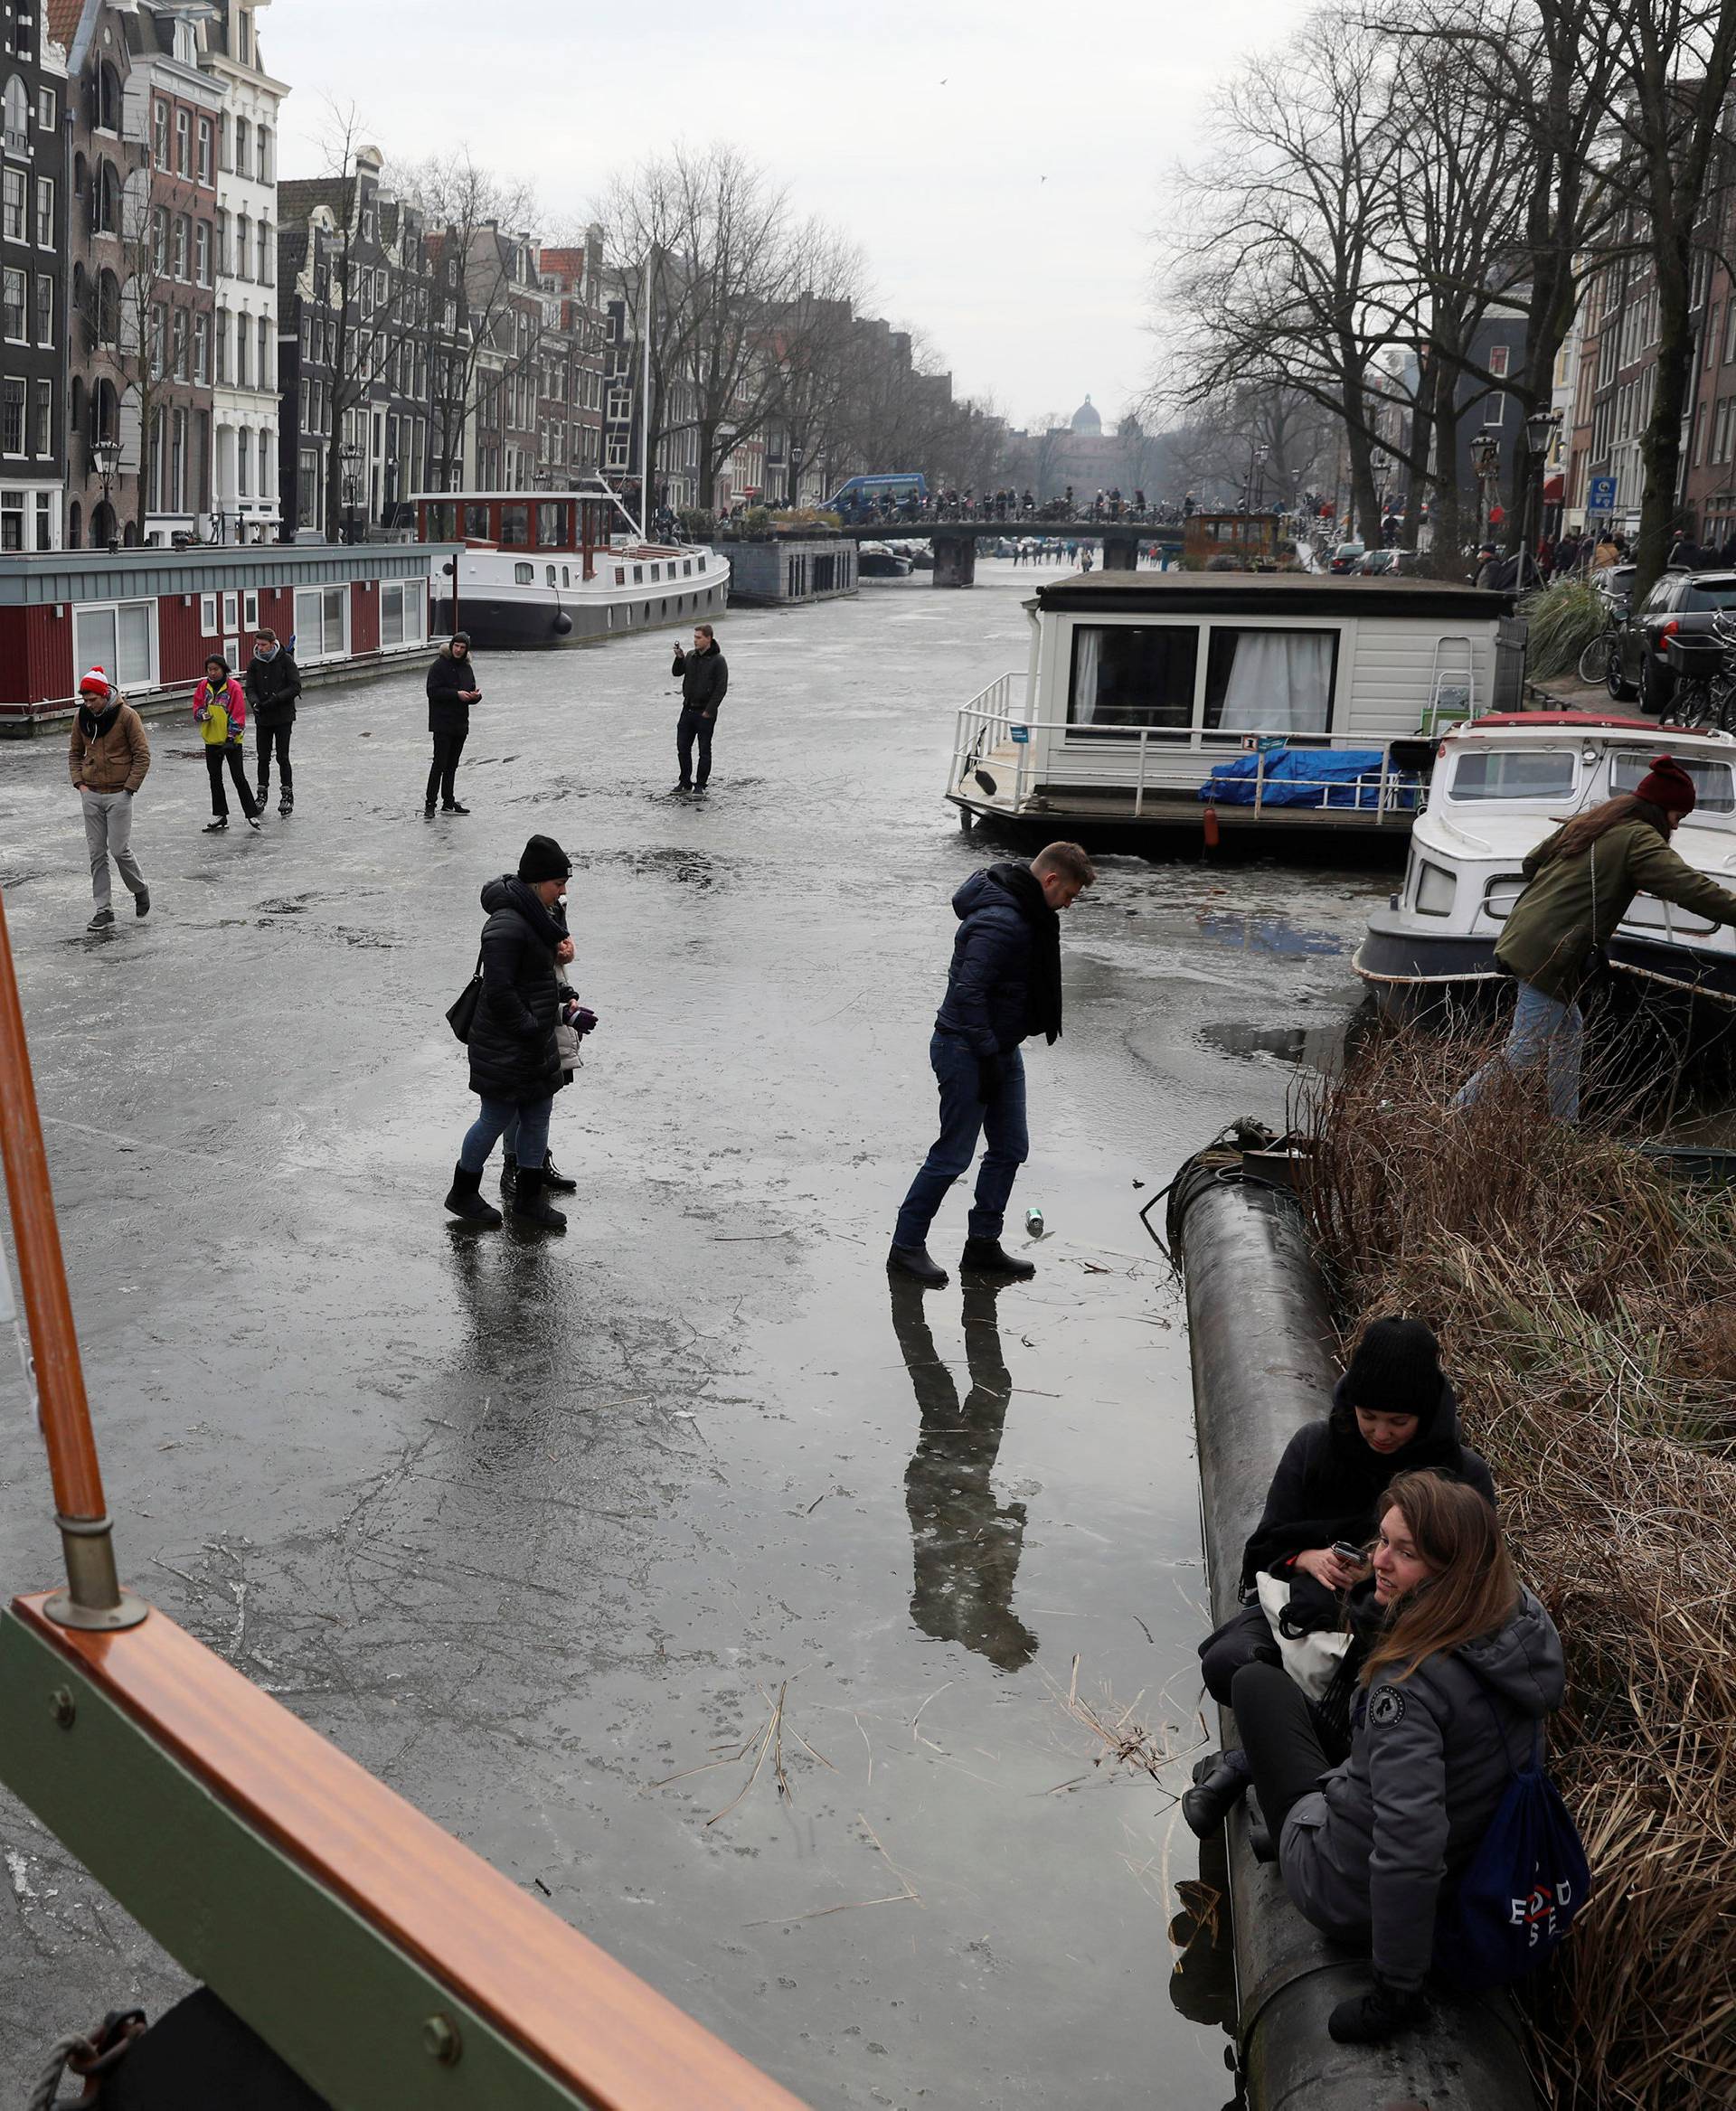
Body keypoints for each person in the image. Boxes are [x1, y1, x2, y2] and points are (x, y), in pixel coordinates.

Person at [1222, 1471, 1566, 2044]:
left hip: (1345, 1890)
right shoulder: (1514, 1632)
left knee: (1258, 1684)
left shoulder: (1407, 1688)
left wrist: (1396, 1991)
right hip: (1471, 1872)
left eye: (1405, 1553)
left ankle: (1262, 1808)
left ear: (1452, 1569)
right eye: (1381, 1540)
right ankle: (1244, 1783)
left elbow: (1410, 1845)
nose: (1379, 1560)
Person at [1185, 1319, 1495, 1828]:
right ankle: (1266, 1770)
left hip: (1399, 1627)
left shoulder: (1460, 1476)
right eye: (1368, 1415)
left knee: (1372, 1698)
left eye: (1398, 1421)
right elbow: (1265, 1545)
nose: (1380, 1433)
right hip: (1307, 1606)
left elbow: (1473, 1577)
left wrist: (1379, 1582)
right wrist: (1307, 1558)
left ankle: (1247, 1768)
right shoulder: (1315, 1447)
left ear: (1426, 1413)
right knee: (1230, 1663)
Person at [1453, 756, 1736, 1121]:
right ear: (1661, 808)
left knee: (1569, 1033)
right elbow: (1695, 890)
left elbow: (1531, 863)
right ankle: (1452, 1117)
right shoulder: (1638, 839)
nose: (1676, 827)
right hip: (1551, 950)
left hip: (1526, 934)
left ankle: (1564, 1125)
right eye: (1677, 817)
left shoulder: (1595, 821)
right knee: (1524, 1049)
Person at [889, 842, 1096, 1289]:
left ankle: (982, 1245)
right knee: (952, 1155)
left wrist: (998, 1049)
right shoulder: (1001, 921)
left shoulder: (1027, 916)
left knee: (1009, 1148)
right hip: (965, 1048)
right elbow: (968, 994)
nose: (1068, 904)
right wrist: (986, 1053)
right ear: (1051, 880)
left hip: (998, 1047)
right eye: (1069, 895)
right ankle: (905, 1248)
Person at [443, 834, 579, 1232]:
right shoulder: (506, 924)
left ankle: (529, 1200)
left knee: (538, 1116)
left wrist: (563, 1000)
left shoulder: (539, 917)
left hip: (533, 1039)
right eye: (558, 883)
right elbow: (499, 990)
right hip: (507, 1043)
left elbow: (538, 976)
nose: (563, 891)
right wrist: (530, 1025)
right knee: (495, 1117)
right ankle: (463, 1191)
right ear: (537, 883)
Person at [68, 666, 151, 931]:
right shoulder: (81, 717)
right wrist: (79, 783)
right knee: (96, 853)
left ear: (105, 694)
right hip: (91, 792)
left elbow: (143, 755)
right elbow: (74, 753)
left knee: (118, 850)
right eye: (85, 699)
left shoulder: (127, 716)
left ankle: (139, 889)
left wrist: (129, 788)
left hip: (119, 794)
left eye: (93, 699)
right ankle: (104, 910)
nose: (88, 704)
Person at [193, 655, 261, 832]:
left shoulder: (234, 688)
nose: (212, 673)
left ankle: (251, 814)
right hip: (211, 739)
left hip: (231, 742)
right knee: (215, 778)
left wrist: (231, 739)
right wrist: (202, 714)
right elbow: (197, 706)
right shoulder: (203, 686)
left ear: (223, 669)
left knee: (238, 777)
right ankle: (220, 815)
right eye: (209, 669)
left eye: (216, 669)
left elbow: (238, 715)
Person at [245, 627, 302, 816]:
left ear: (272, 643)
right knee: (263, 757)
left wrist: (276, 699)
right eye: (258, 644)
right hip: (263, 717)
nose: (260, 648)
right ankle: (261, 795)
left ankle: (287, 794)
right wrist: (254, 702)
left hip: (283, 716)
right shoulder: (254, 664)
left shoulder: (285, 660)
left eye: (263, 645)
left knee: (282, 757)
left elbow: (295, 686)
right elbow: (250, 687)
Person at [669, 621, 728, 795]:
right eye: (694, 637)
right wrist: (679, 658)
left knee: (704, 750)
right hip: (687, 709)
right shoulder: (690, 656)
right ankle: (685, 781)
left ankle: (700, 785)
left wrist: (708, 711)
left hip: (705, 713)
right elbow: (677, 673)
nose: (695, 641)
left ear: (709, 639)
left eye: (699, 638)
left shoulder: (718, 661)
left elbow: (720, 689)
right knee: (682, 748)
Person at [426, 633, 480, 817]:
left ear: (466, 650)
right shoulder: (439, 666)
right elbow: (432, 692)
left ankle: (448, 802)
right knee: (439, 764)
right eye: (456, 646)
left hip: (460, 724)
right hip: (442, 723)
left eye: (462, 647)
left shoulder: (467, 668)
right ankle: (430, 804)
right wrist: (456, 694)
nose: (458, 650)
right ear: (451, 646)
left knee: (452, 765)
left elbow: (471, 690)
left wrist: (475, 697)